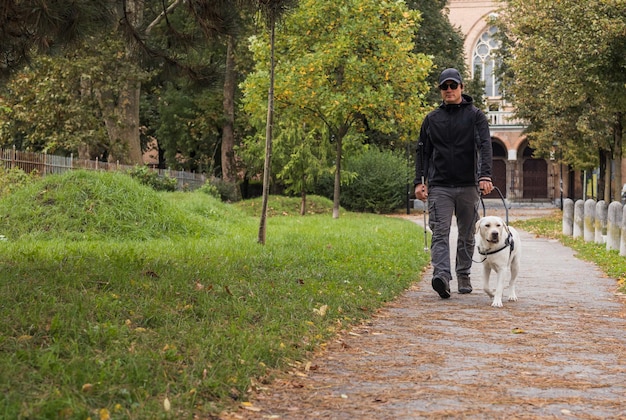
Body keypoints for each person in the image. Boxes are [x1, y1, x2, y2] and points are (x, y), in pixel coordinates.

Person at [414, 68, 493, 299]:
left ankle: (464, 274)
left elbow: (485, 146)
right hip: (439, 185)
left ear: (461, 87)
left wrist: (485, 176)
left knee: (467, 234)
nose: (449, 90)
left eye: (453, 86)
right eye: (444, 87)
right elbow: (422, 153)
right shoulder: (431, 119)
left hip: (468, 185)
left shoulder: (476, 116)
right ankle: (442, 277)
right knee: (439, 232)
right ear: (440, 90)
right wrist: (420, 182)